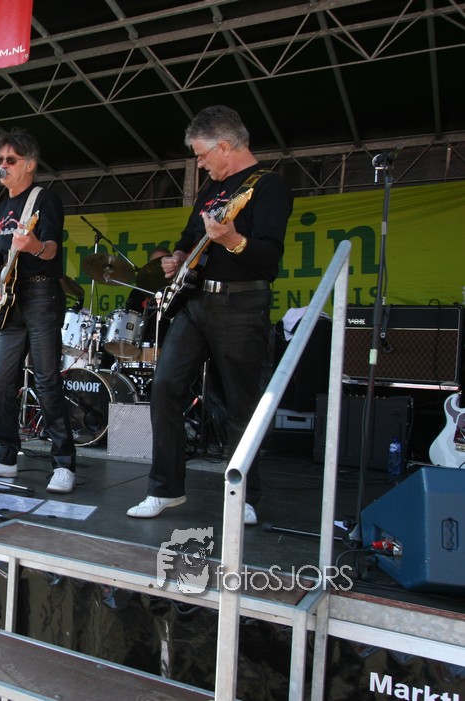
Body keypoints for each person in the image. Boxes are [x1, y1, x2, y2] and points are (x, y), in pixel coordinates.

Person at [127, 105, 293, 524]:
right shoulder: (210, 189)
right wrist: (177, 258)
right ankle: (164, 489)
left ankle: (245, 495)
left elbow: (268, 258)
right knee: (165, 387)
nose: (199, 164)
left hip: (241, 305)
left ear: (224, 146)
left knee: (240, 403)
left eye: (202, 155)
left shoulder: (268, 186)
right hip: (195, 302)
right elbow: (187, 238)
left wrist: (233, 240)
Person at [0, 129, 77, 494]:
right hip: (10, 300)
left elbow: (51, 248)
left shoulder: (43, 199)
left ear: (30, 164)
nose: (2, 166)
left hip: (40, 294)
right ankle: (5, 455)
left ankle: (64, 463)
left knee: (46, 379)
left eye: (10, 160)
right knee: (1, 381)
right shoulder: (1, 207)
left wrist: (34, 245)